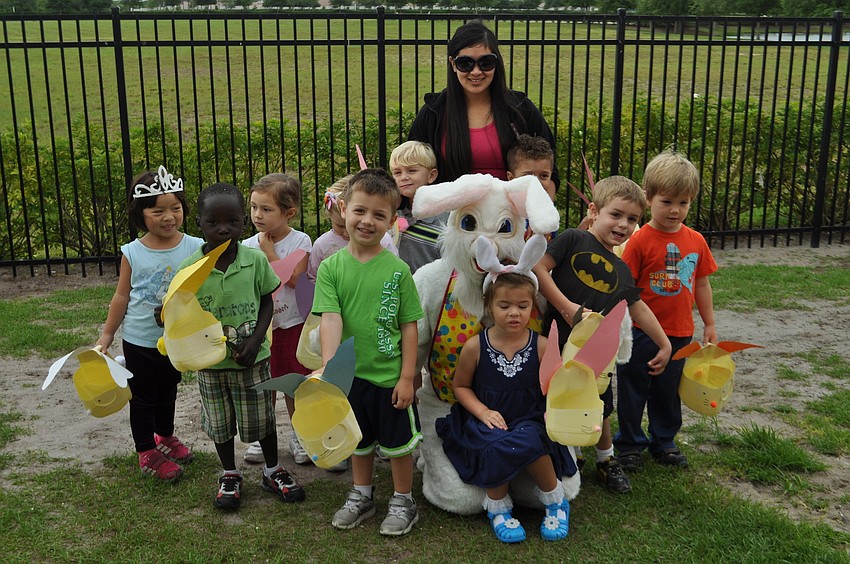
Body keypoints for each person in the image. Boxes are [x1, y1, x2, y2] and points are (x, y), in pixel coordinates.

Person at [533, 175, 672, 494]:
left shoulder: (621, 269)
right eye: (616, 214)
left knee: (599, 405)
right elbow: (539, 269)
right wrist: (567, 307)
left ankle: (606, 459)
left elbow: (638, 307)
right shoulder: (572, 239)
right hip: (556, 343)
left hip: (596, 356)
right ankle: (569, 453)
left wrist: (664, 342)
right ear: (594, 211)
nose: (623, 224)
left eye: (632, 219)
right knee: (557, 399)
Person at [178, 182, 304, 511]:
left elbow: (267, 300)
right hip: (210, 364)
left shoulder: (255, 260)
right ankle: (230, 473)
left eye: (232, 221)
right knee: (219, 423)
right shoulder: (190, 267)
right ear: (199, 223)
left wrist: (257, 338)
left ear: (243, 223)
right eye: (213, 222)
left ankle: (272, 469)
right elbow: (179, 307)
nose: (223, 229)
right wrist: (164, 314)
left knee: (262, 418)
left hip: (253, 360)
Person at [312, 169, 424, 536]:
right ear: (344, 209)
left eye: (379, 215)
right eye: (360, 210)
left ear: (391, 222)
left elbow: (409, 326)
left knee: (398, 445)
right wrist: (331, 370)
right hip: (351, 378)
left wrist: (407, 377)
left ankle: (404, 500)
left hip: (390, 377)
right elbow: (331, 320)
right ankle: (361, 495)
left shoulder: (398, 270)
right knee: (357, 440)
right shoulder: (330, 268)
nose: (367, 221)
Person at [435, 245, 572, 543]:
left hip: (529, 416)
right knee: (493, 443)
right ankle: (498, 508)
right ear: (489, 306)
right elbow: (461, 387)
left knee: (532, 439)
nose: (514, 313)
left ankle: (555, 500)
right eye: (505, 305)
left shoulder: (542, 345)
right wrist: (482, 411)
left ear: (532, 306)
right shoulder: (475, 346)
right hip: (488, 417)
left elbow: (557, 387)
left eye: (522, 306)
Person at [97, 166, 203, 482]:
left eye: (175, 208)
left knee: (168, 390)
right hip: (139, 339)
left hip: (175, 339)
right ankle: (146, 450)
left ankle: (164, 436)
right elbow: (121, 295)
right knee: (142, 398)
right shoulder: (133, 252)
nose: (168, 217)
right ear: (140, 214)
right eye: (158, 211)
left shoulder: (195, 247)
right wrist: (107, 334)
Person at [614, 151, 718, 472]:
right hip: (640, 332)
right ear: (648, 198)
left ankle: (664, 440)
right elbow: (626, 289)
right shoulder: (638, 241)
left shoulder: (696, 241)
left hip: (679, 331)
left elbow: (701, 283)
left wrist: (709, 323)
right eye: (667, 201)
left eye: (683, 202)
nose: (675, 210)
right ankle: (630, 444)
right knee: (633, 388)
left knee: (668, 390)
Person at [408, 21, 559, 189]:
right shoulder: (433, 112)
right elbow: (409, 169)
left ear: (497, 63)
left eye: (486, 62)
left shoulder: (521, 109)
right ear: (452, 64)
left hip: (511, 205)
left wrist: (540, 204)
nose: (476, 71)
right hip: (451, 206)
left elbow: (551, 173)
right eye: (465, 63)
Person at [241, 173, 315, 468]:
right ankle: (263, 436)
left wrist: (269, 252)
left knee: (294, 383)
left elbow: (294, 279)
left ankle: (299, 435)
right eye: (253, 207)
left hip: (292, 324)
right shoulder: (246, 244)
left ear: (289, 213)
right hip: (262, 327)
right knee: (266, 383)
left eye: (266, 209)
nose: (257, 215)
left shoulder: (300, 240)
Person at [306, 174, 398, 284]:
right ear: (343, 209)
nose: (346, 233)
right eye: (340, 226)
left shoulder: (384, 241)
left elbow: (395, 275)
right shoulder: (322, 245)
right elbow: (313, 279)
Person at [389, 140, 443, 274]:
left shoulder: (445, 221)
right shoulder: (394, 216)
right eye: (397, 173)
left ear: (431, 175)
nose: (404, 177)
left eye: (412, 171)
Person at [506, 134, 556, 201]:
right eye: (528, 176)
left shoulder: (547, 207)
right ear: (511, 178)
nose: (537, 182)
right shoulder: (504, 205)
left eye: (544, 176)